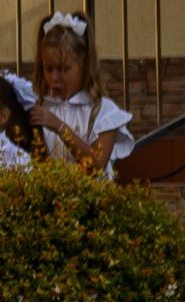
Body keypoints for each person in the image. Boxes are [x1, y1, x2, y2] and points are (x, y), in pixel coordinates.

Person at [29, 11, 134, 178]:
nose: (55, 78)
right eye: (49, 69)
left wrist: (59, 127)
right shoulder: (40, 108)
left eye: (64, 69)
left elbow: (96, 166)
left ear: (85, 66)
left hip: (92, 201)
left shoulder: (103, 111)